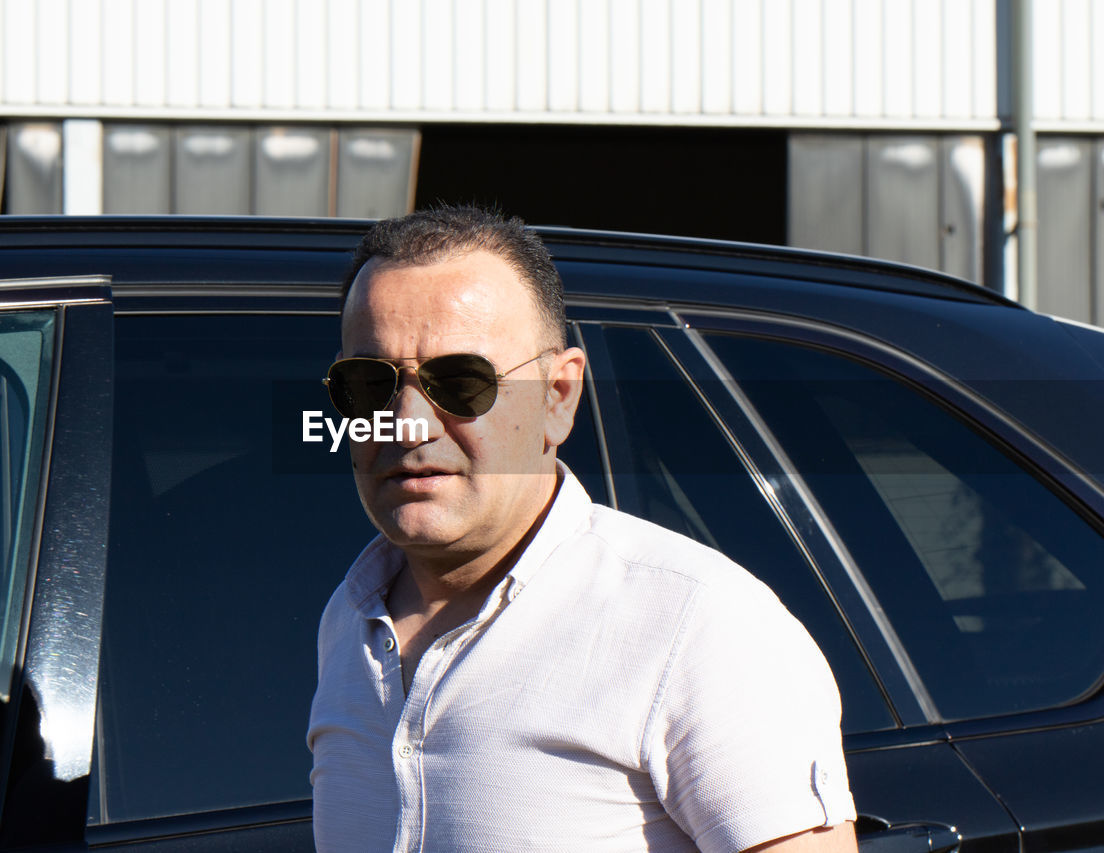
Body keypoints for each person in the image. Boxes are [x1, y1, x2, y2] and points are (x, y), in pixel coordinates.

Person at [307, 205, 858, 852]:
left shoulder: (697, 626)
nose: (406, 422)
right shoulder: (350, 622)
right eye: (369, 383)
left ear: (558, 395)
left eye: (460, 381)